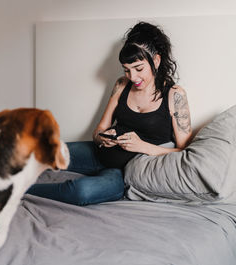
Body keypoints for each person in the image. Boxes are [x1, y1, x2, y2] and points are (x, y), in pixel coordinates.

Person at [27, 21, 193, 206]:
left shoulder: (175, 95)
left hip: (122, 171)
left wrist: (143, 146)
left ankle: (22, 191)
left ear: (156, 60)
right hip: (99, 152)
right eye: (127, 70)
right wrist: (103, 137)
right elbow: (99, 130)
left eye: (139, 69)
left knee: (81, 191)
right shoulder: (121, 85)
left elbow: (184, 152)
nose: (133, 77)